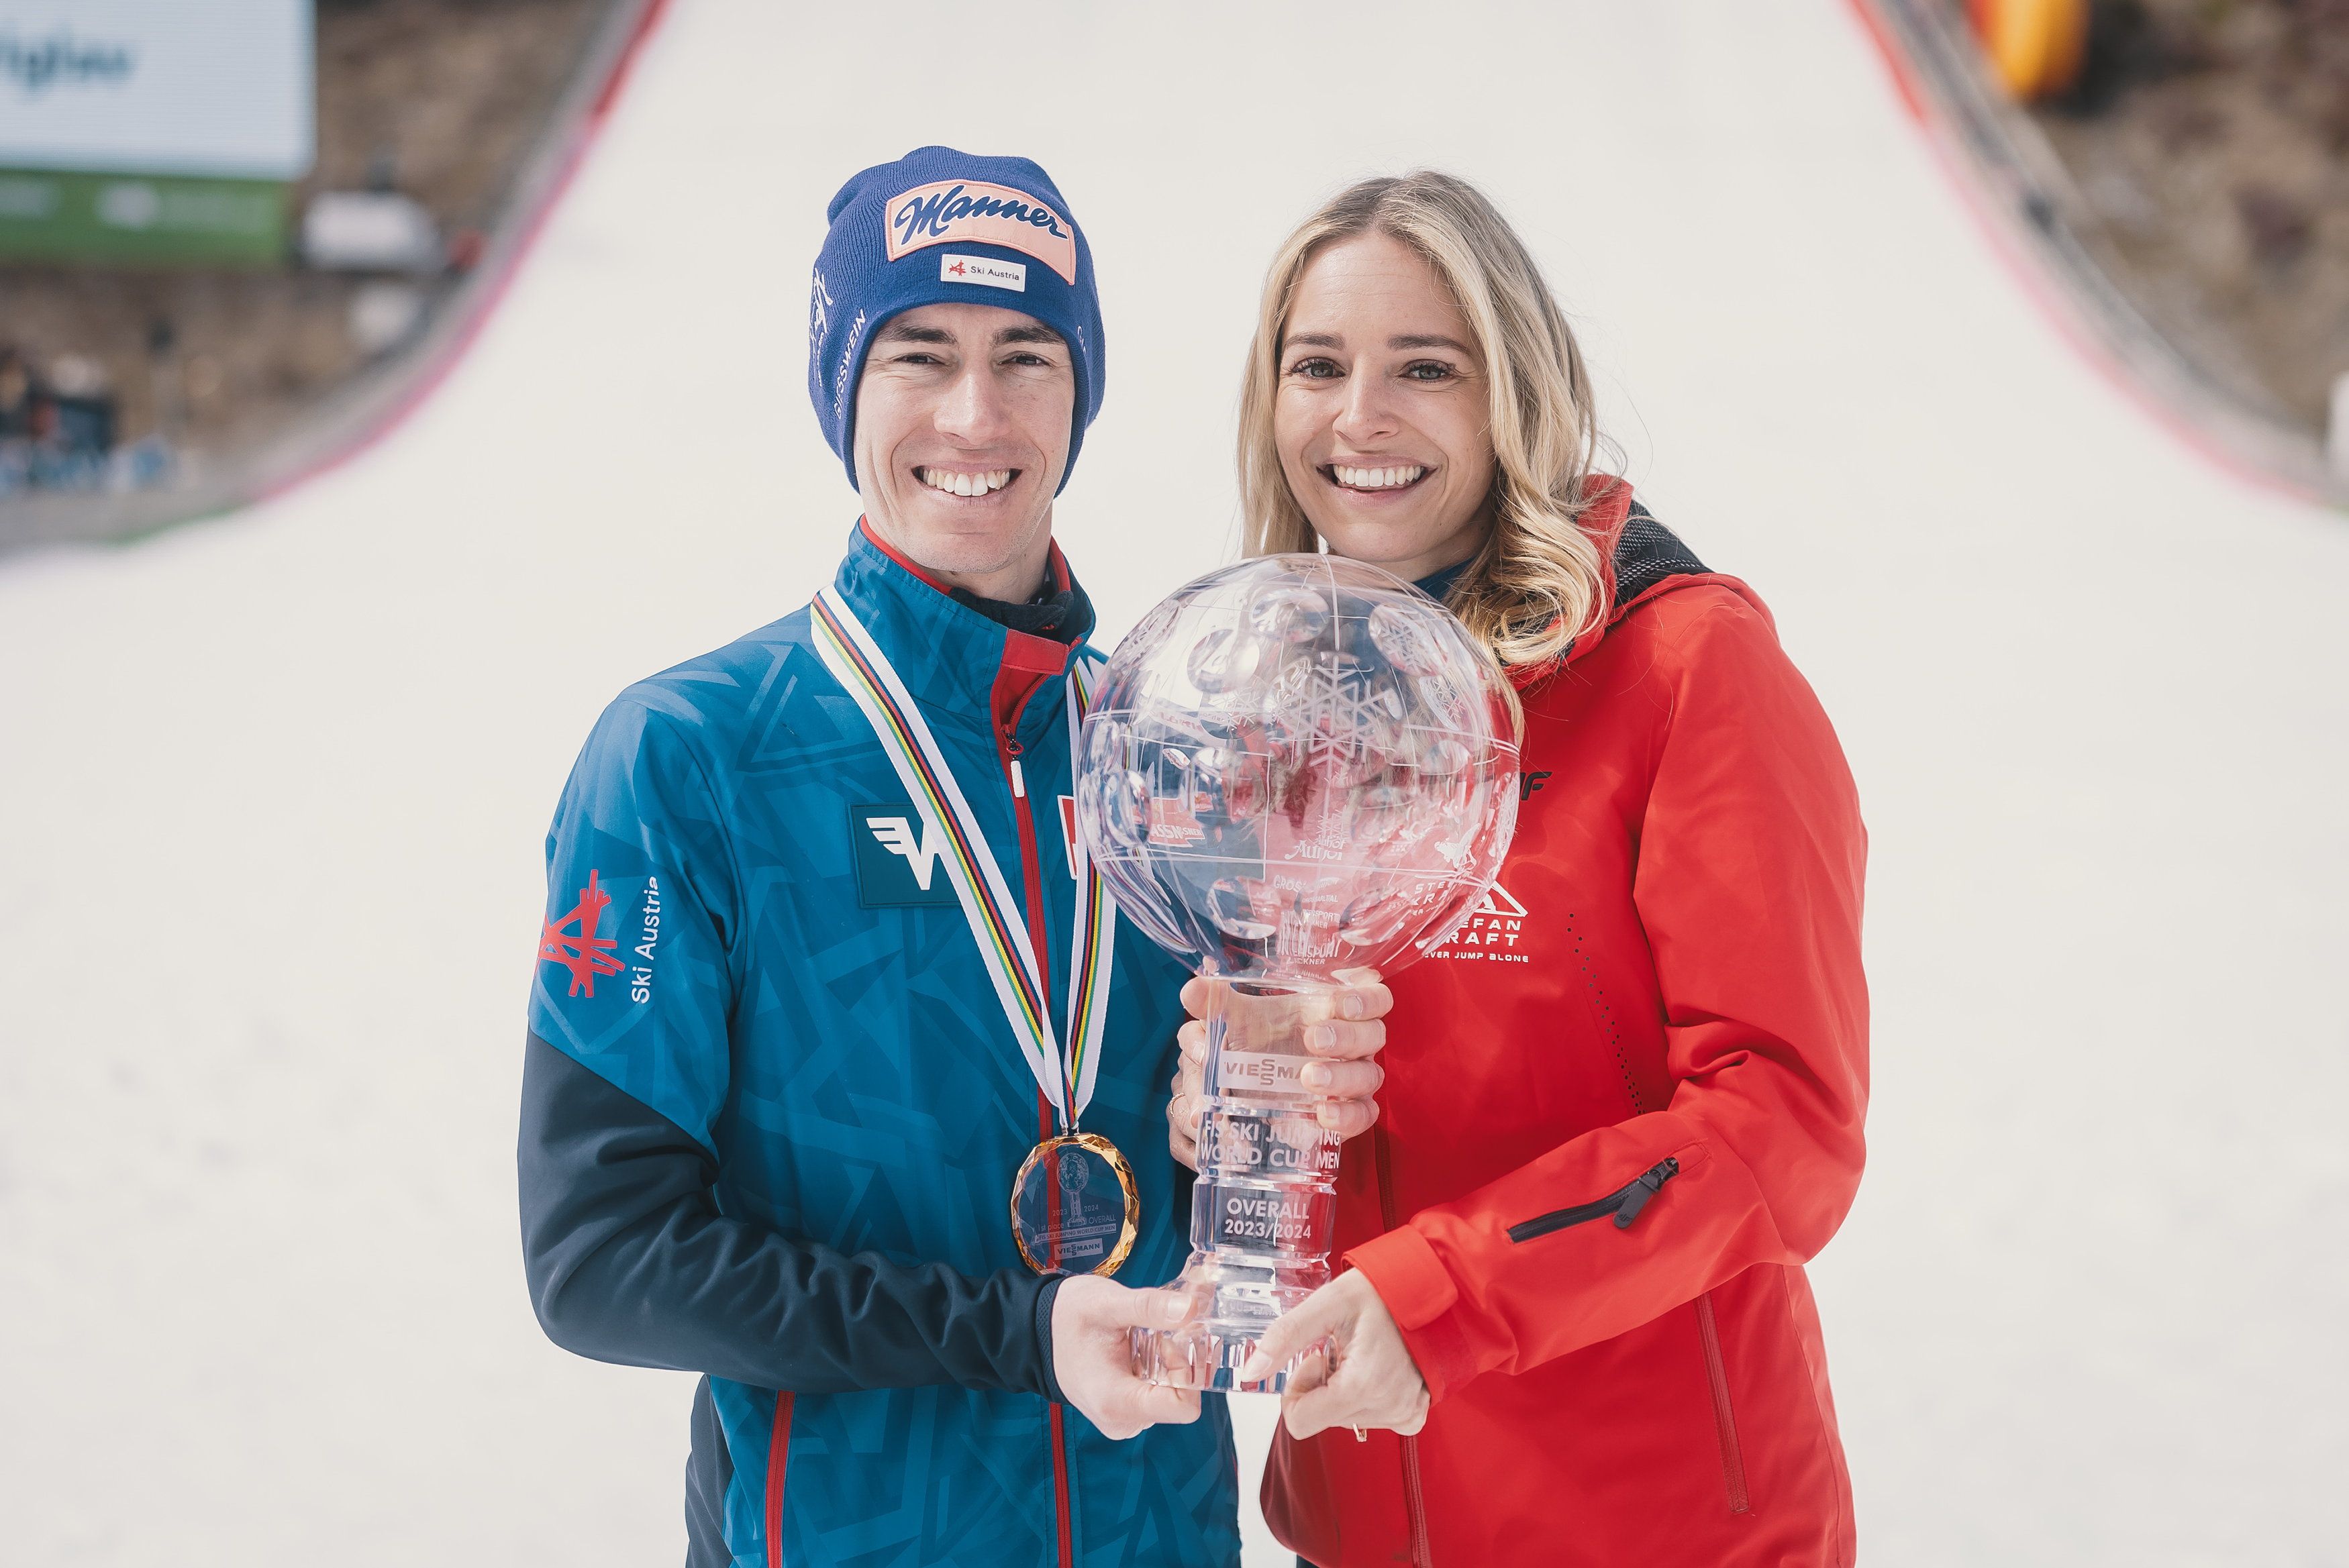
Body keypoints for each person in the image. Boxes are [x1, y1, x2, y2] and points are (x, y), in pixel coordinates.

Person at [518, 146, 1385, 1568]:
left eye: (1024, 356)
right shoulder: (690, 756)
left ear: (1078, 392)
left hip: (1154, 1532)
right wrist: (1017, 1329)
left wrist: (1258, 1117)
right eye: (918, 354)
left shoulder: (1173, 747)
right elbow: (598, 1257)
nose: (973, 413)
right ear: (842, 387)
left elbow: (1238, 1148)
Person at [1166, 172, 1870, 1566]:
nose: (1357, 418)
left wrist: (1447, 1295)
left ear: (1518, 390)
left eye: (1425, 367)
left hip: (1654, 1525)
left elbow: (1783, 1124)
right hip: (1365, 1518)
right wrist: (1223, 1108)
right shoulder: (1278, 697)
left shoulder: (1686, 667)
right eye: (1317, 365)